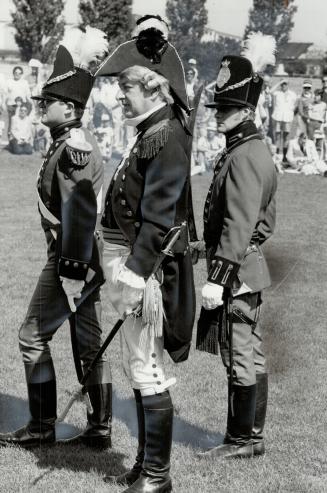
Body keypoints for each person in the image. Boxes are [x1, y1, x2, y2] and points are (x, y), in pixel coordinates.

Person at [96, 14, 196, 493]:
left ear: (154, 89)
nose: (119, 95)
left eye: (127, 87)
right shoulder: (149, 130)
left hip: (148, 271)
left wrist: (135, 275)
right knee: (137, 364)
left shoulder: (167, 136)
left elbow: (158, 216)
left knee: (148, 366)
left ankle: (158, 475)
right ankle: (144, 464)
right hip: (135, 266)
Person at [0, 27, 113, 450]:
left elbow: (81, 216)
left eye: (47, 102)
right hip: (84, 260)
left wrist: (70, 271)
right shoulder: (64, 143)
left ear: (68, 109)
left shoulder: (73, 150)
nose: (40, 107)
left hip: (73, 260)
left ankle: (42, 424)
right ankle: (99, 426)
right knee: (88, 342)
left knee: (32, 336)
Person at [196, 47, 277, 459]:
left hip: (238, 268)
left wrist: (218, 277)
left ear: (245, 111)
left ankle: (242, 440)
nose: (217, 114)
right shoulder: (248, 148)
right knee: (248, 350)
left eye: (226, 108)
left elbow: (239, 224)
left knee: (239, 352)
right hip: (244, 264)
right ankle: (251, 436)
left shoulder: (245, 155)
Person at [271, 78, 297, 163]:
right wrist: (279, 83)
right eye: (282, 84)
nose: (284, 85)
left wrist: (291, 112)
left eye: (285, 84)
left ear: (288, 85)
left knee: (286, 137)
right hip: (278, 117)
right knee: (277, 136)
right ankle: (278, 155)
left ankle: (285, 156)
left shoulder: (292, 94)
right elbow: (270, 91)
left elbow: (295, 105)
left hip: (287, 118)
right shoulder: (277, 93)